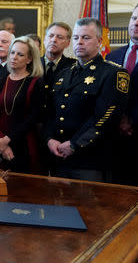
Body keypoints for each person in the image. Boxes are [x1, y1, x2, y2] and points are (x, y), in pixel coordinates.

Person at [45, 18, 129, 182]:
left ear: (99, 41)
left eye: (86, 38)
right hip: (58, 156)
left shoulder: (113, 73)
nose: (80, 42)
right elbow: (50, 111)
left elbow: (105, 117)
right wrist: (49, 139)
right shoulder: (64, 73)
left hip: (89, 159)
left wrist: (75, 144)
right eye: (76, 38)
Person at [0, 36, 44, 173]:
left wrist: (8, 140)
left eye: (20, 54)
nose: (14, 57)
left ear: (29, 59)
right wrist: (1, 142)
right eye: (12, 52)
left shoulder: (35, 82)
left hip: (24, 144)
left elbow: (33, 117)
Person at [105, 4, 138, 185]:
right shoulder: (112, 56)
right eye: (133, 18)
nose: (136, 23)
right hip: (114, 135)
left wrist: (131, 120)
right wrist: (118, 119)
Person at [41, 22, 75, 91]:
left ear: (67, 43)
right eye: (51, 36)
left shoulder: (73, 67)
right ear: (44, 40)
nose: (54, 40)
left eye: (60, 37)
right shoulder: (32, 64)